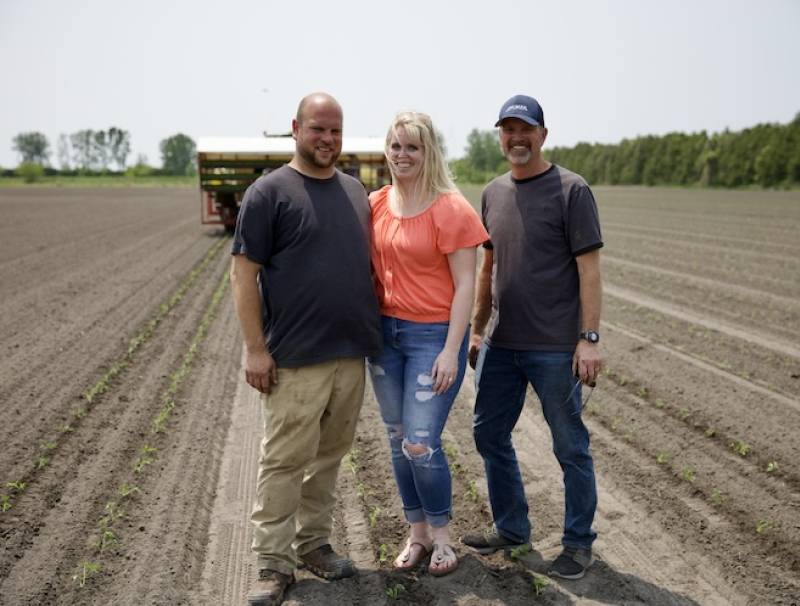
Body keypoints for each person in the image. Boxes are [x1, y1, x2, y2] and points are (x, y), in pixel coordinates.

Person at [230, 92, 382, 606]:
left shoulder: (356, 193)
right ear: (296, 127)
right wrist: (255, 349)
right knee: (284, 461)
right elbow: (243, 274)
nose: (328, 140)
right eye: (319, 129)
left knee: (330, 458)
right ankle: (273, 564)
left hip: (349, 355)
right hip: (294, 358)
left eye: (336, 132)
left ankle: (314, 544)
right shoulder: (268, 193)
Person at [463, 94, 603, 580]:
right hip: (502, 344)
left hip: (554, 347)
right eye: (507, 129)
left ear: (543, 134)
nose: (516, 138)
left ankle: (578, 543)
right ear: (499, 136)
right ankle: (512, 527)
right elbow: (489, 267)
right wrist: (478, 331)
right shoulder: (493, 192)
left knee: (570, 447)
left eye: (525, 129)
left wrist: (589, 338)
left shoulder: (572, 190)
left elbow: (589, 271)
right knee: (488, 433)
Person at [367, 111, 488, 577]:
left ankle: (442, 539)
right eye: (396, 146)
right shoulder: (377, 202)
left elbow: (466, 286)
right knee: (398, 439)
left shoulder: (450, 208)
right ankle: (415, 534)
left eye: (412, 147)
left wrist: (450, 350)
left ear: (429, 152)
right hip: (385, 338)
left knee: (421, 442)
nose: (402, 155)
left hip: (433, 338)